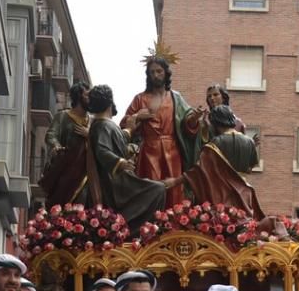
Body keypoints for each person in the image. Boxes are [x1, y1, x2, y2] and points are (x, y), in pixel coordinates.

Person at [87, 84, 180, 230]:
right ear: (109, 102)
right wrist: (121, 162)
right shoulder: (102, 125)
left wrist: (130, 127)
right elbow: (102, 150)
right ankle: (134, 227)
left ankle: (135, 226)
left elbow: (119, 139)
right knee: (157, 189)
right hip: (116, 182)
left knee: (157, 187)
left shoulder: (106, 125)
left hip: (120, 178)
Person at [121, 56, 201, 206]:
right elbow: (124, 124)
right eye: (152, 72)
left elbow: (187, 122)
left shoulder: (176, 98)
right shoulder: (140, 99)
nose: (156, 75)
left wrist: (194, 118)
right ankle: (149, 226)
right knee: (151, 188)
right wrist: (138, 116)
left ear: (166, 73)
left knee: (174, 191)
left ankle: (172, 224)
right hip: (149, 151)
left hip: (172, 151)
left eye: (159, 71)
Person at [182, 105, 265, 219]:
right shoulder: (249, 142)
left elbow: (201, 169)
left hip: (222, 194)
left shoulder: (216, 142)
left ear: (215, 122)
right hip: (245, 194)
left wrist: (178, 180)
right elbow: (249, 169)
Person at [40, 81, 92, 207]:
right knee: (62, 202)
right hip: (66, 168)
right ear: (78, 97)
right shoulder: (63, 116)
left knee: (83, 201)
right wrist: (56, 146)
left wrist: (90, 135)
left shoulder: (92, 122)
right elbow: (51, 135)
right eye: (87, 96)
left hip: (86, 172)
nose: (90, 99)